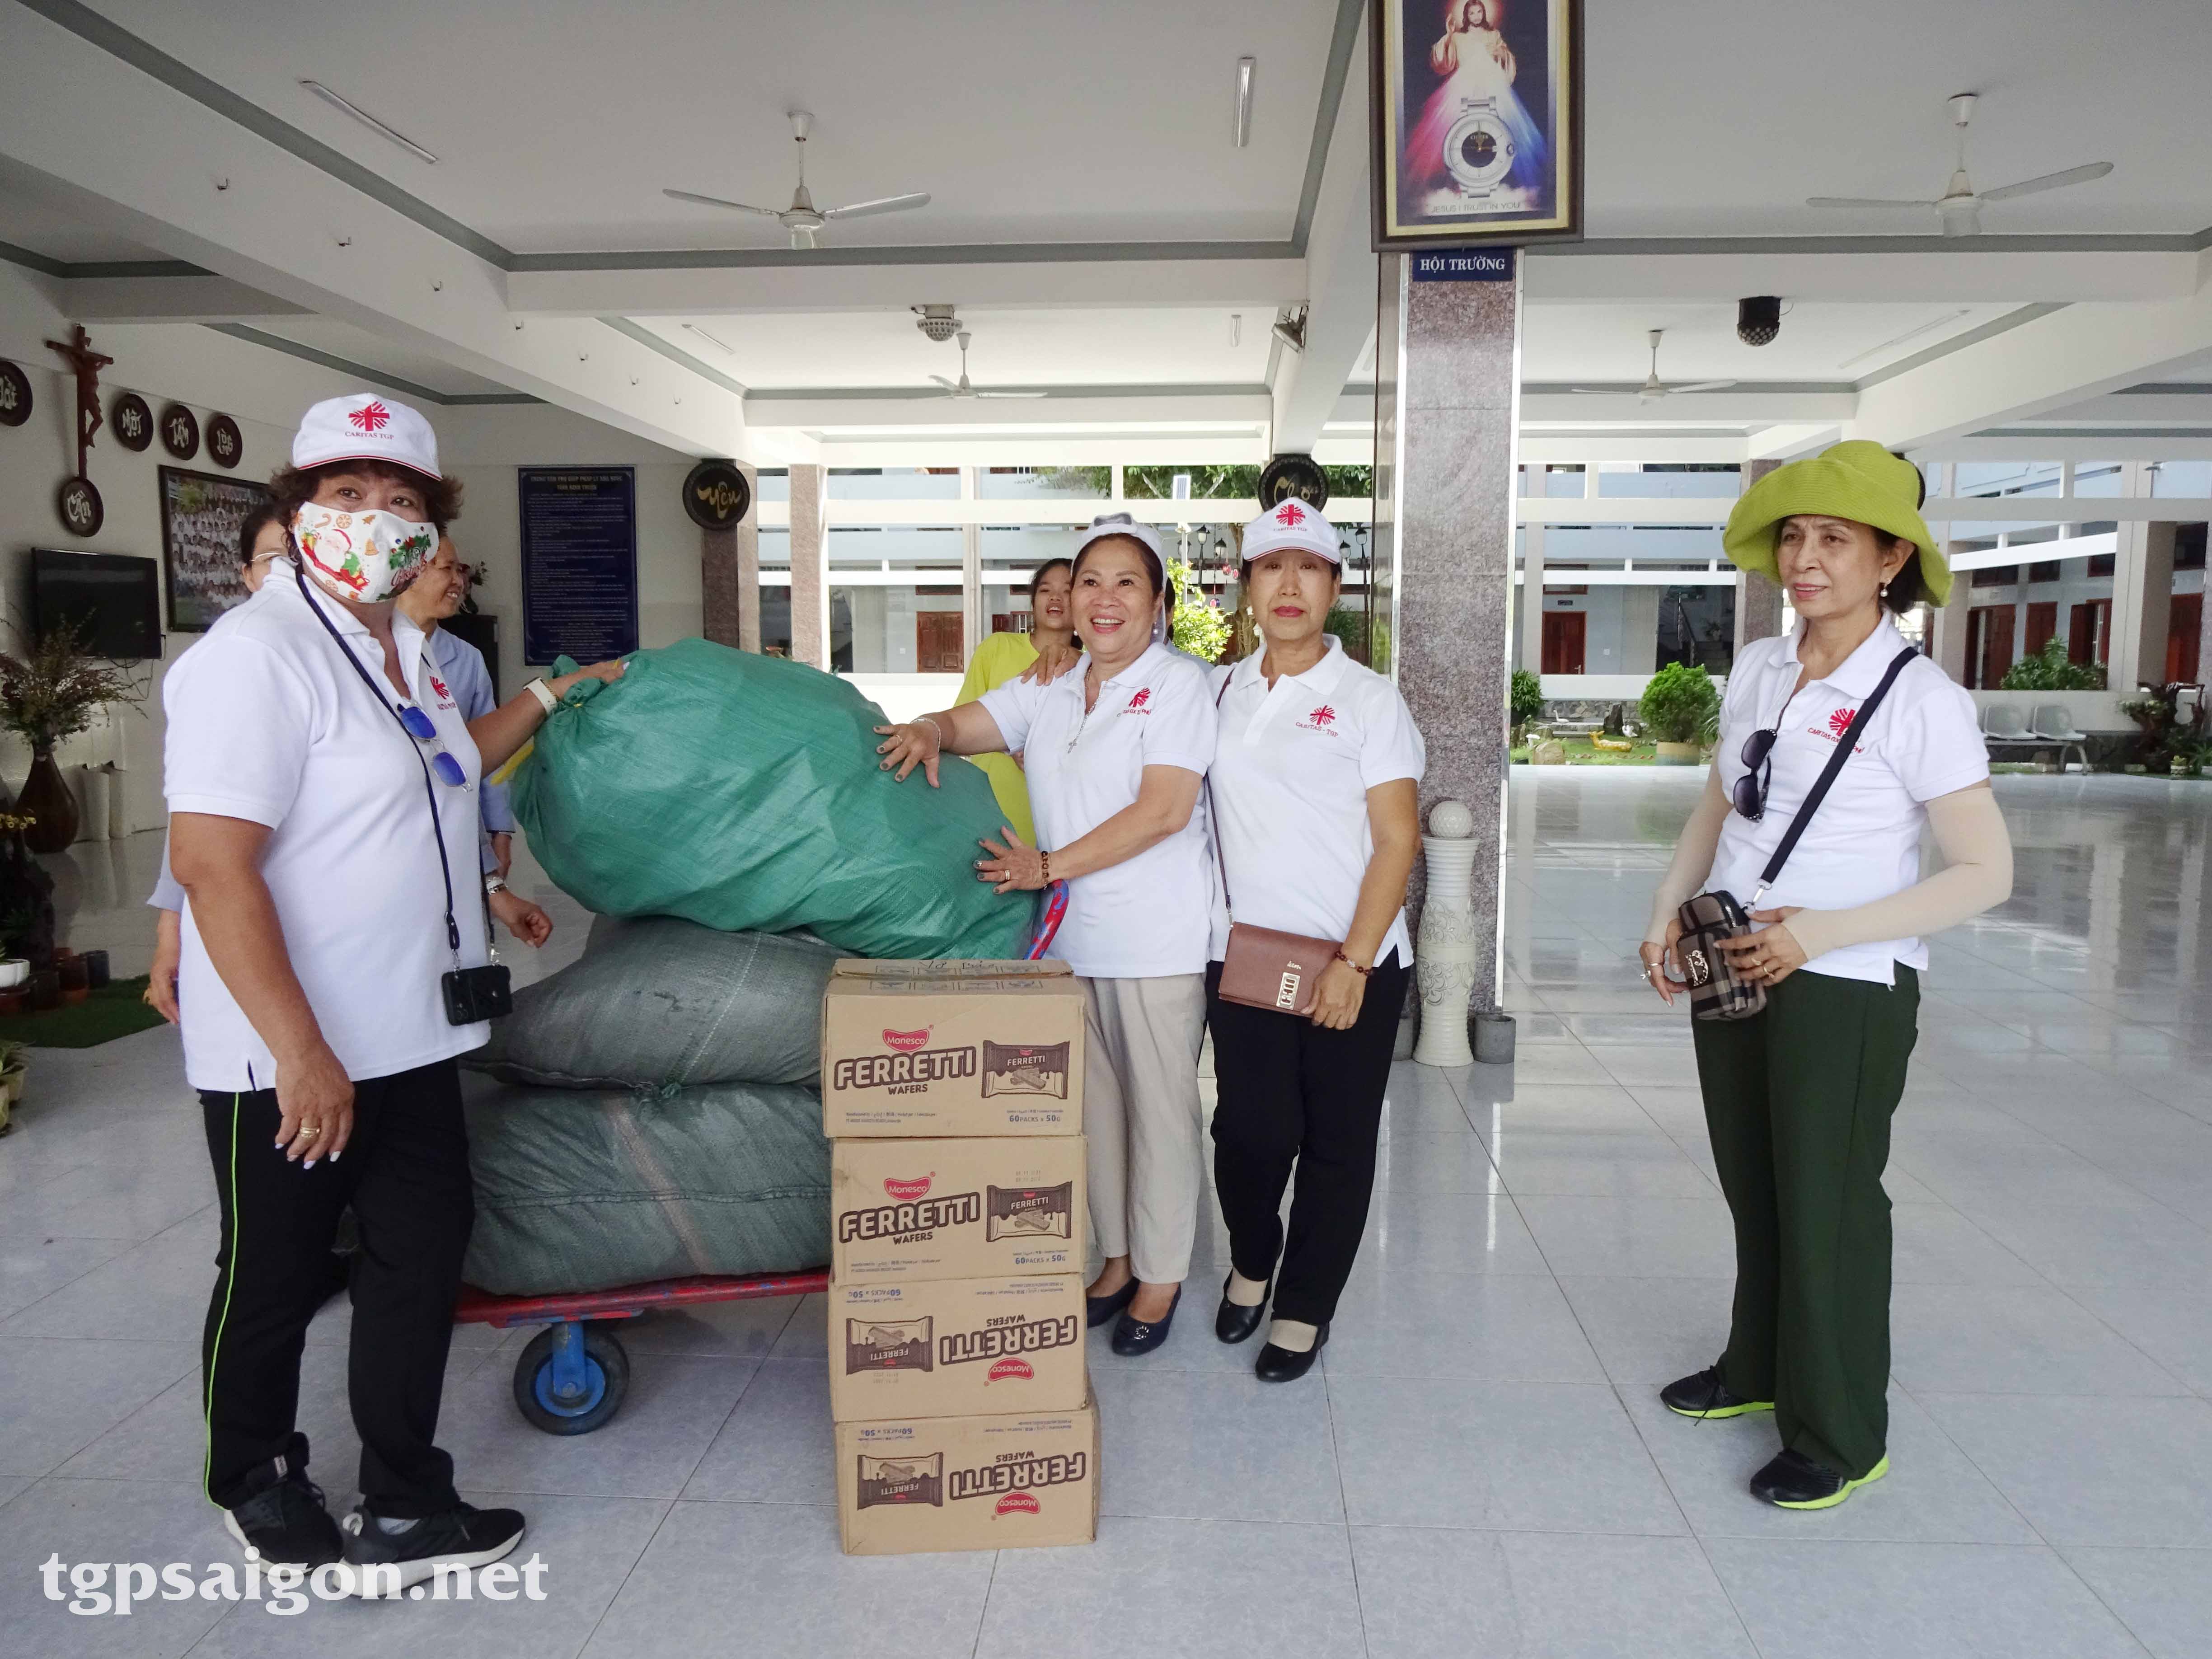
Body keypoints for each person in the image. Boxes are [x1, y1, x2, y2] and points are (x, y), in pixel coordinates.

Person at [166, 393, 624, 1590]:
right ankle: (251, 1472)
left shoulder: (404, 654)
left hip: (414, 1030)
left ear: (430, 534)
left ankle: (408, 1501)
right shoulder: (254, 658)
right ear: (298, 510)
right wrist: (300, 1050)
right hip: (290, 1055)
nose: (375, 519)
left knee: (418, 1261)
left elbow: (450, 768)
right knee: (273, 1268)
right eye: (347, 495)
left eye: (403, 503)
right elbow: (213, 866)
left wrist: (555, 699)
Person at [1640, 441, 2013, 1511]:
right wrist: (1669, 901)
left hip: (1843, 985)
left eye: (1834, 540)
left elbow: (1986, 871)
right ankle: (1755, 1367)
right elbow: (1720, 802)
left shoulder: (1918, 697)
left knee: (1829, 1204)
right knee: (1754, 1183)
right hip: (1734, 959)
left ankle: (1841, 1429)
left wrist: (1821, 933)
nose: (1804, 560)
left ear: (1892, 557)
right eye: (1793, 537)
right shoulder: (1761, 664)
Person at [872, 515, 1218, 1355]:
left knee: (1161, 1113)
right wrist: (929, 728)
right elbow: (971, 723)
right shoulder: (1053, 686)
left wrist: (1048, 865)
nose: (1104, 599)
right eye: (1090, 581)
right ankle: (1118, 1254)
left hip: (1154, 941)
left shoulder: (1176, 686)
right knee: (1093, 1110)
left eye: (1126, 582)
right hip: (1073, 943)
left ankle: (1163, 1273)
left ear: (1160, 603)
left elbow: (1165, 809)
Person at [1203, 499, 1424, 1382]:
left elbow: (1398, 838)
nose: (1289, 585)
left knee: (1336, 1141)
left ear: (1336, 586)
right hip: (1246, 956)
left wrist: (1354, 964)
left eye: (1309, 568)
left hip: (1353, 960)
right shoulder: (1219, 689)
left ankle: (1304, 1303)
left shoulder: (1371, 701)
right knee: (1249, 1134)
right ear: (1248, 585)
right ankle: (1254, 1259)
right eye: (1270, 567)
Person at [146, 502, 288, 1022]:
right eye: (274, 558)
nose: (289, 572)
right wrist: (171, 933)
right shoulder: (234, 659)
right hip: (251, 942)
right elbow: (198, 832)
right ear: (247, 575)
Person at [397, 537, 531, 894]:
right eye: (447, 570)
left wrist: (499, 829)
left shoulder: (467, 658)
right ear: (409, 574)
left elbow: (489, 753)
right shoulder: (369, 649)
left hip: (459, 828)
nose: (459, 582)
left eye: (461, 571)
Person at [951, 557, 1074, 844]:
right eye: (1045, 590)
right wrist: (1011, 746)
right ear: (1033, 603)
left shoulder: (1087, 667)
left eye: (1068, 591)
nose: (1056, 598)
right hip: (989, 806)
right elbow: (961, 725)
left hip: (1053, 823)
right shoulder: (997, 648)